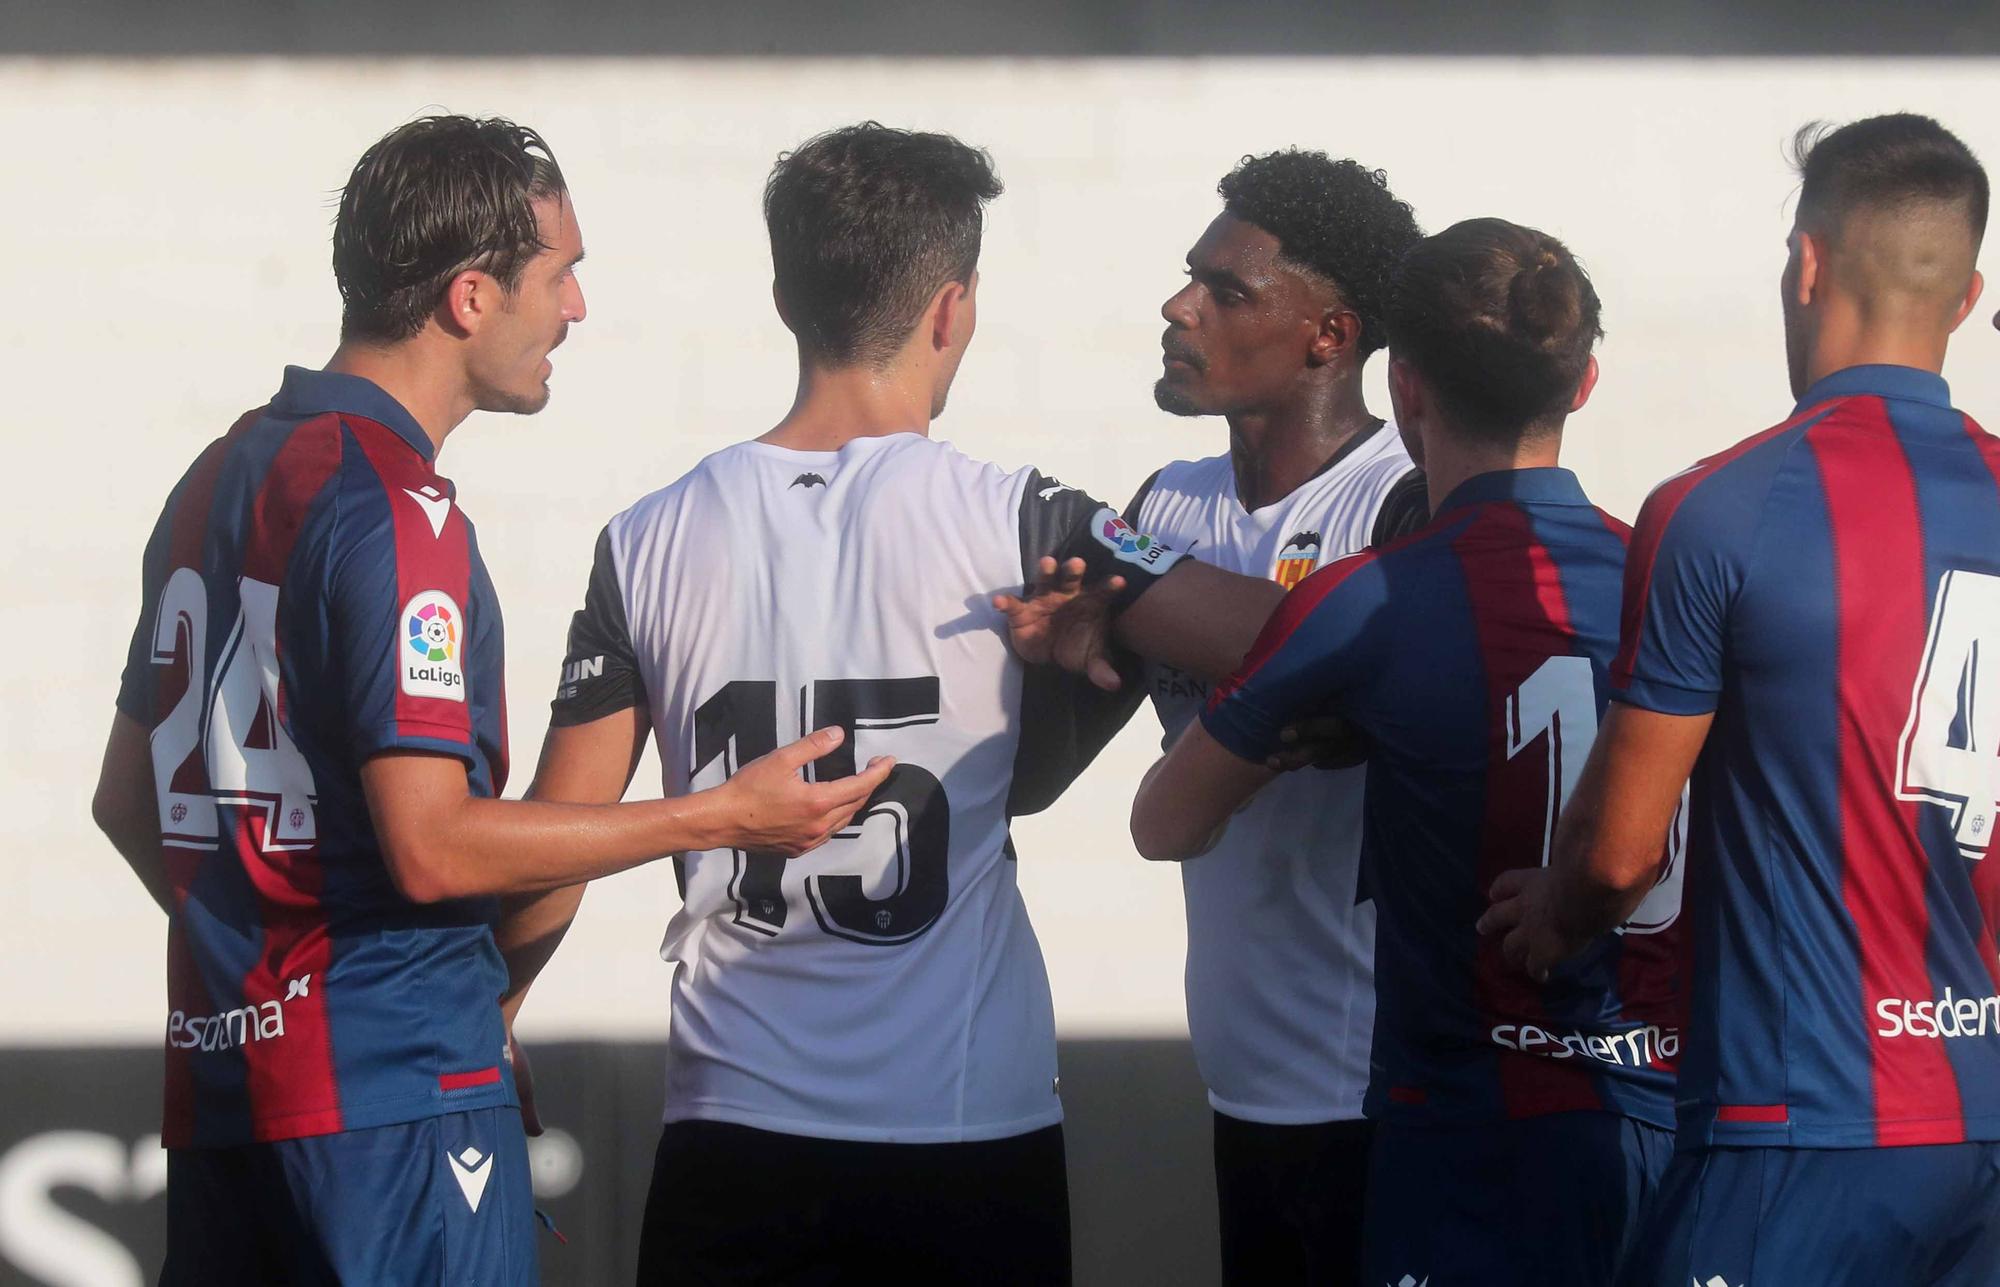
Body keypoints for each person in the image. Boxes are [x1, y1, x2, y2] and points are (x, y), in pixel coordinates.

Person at [87, 115, 890, 1287]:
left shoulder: (219, 470)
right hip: (390, 1108)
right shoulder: (395, 511)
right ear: (471, 297)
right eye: (559, 276)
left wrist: (268, 987)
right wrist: (724, 815)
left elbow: (126, 801)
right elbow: (431, 847)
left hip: (229, 1102)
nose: (573, 312)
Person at [524, 122, 1278, 1286]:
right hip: (964, 1136)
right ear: (950, 309)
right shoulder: (1026, 520)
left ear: (783, 297)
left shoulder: (643, 539)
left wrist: (495, 1009)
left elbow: (552, 846)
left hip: (729, 1134)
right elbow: (1283, 638)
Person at [1484, 113, 2000, 1287]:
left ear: (1805, 265)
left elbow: (1619, 858)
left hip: (1797, 1125)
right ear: (1964, 297)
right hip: (1979, 1133)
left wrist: (1552, 914)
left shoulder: (1723, 504)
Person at [1131, 218, 1685, 1287]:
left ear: (1402, 387)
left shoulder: (1371, 591)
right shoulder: (1671, 573)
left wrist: (1302, 712)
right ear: (1581, 386)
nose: (1182, 308)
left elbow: (1162, 823)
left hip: (1444, 1124)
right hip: (1645, 1111)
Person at [1126, 148, 1424, 1285]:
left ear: (1328, 334)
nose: (1179, 305)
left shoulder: (1402, 496)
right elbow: (1051, 748)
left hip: (1378, 1084)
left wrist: (1131, 593)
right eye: (1187, 277)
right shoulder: (1165, 505)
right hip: (1242, 1080)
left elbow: (1366, 694)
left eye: (1226, 290)